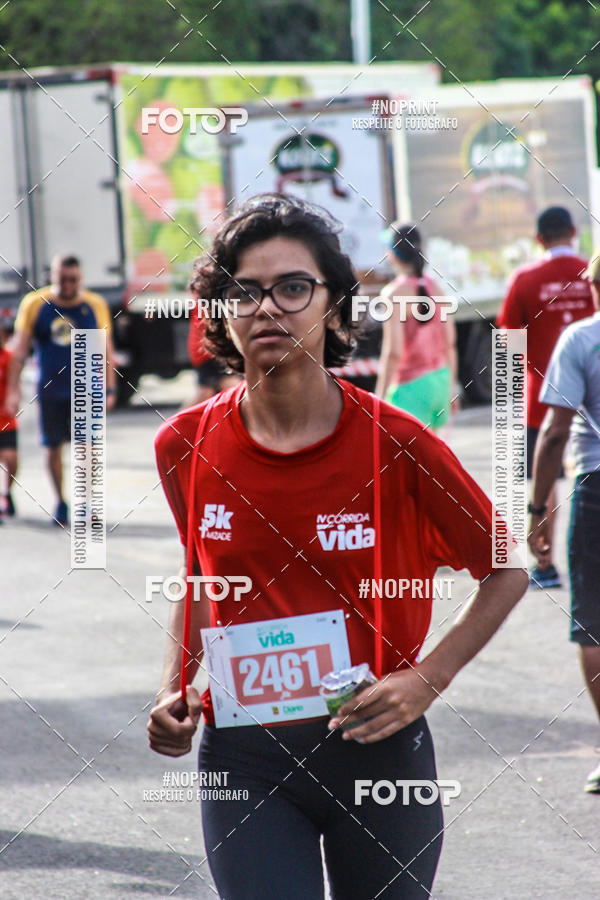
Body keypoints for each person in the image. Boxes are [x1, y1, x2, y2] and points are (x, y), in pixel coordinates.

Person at [148, 193, 527, 900]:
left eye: (293, 287)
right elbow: (199, 573)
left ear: (336, 307)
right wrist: (175, 686)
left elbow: (505, 569)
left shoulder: (401, 445)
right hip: (246, 758)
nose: (267, 307)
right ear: (221, 314)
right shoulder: (184, 444)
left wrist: (427, 680)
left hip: (378, 753)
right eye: (244, 291)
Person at [528, 248, 600, 794]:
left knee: (594, 625)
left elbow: (553, 434)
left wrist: (537, 513)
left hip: (595, 487)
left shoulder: (580, 338)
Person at [497, 206, 594, 589]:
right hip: (595, 404)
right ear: (573, 231)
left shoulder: (525, 280)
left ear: (539, 239)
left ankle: (546, 566)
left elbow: (507, 343)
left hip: (544, 403)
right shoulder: (592, 273)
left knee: (545, 480)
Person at [6, 255, 116, 525]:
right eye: (62, 279)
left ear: (81, 279)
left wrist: (110, 388)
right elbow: (19, 352)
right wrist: (12, 390)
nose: (67, 285)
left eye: (73, 279)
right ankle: (60, 500)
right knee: (52, 447)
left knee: (86, 446)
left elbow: (106, 349)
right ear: (52, 276)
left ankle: (86, 503)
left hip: (85, 389)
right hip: (50, 390)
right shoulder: (35, 304)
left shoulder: (94, 305)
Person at [375, 223, 459, 430]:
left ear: (393, 254)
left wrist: (379, 399)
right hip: (440, 381)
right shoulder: (436, 287)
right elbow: (450, 343)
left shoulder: (392, 294)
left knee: (401, 460)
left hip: (410, 390)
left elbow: (393, 352)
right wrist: (451, 389)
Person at [185, 282, 240, 406]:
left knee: (208, 391)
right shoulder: (211, 298)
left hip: (206, 349)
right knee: (229, 386)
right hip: (209, 350)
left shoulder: (203, 297)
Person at [0, 322, 18, 522]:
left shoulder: (8, 357)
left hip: (5, 417)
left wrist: (13, 399)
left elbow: (14, 384)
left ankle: (8, 492)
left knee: (11, 459)